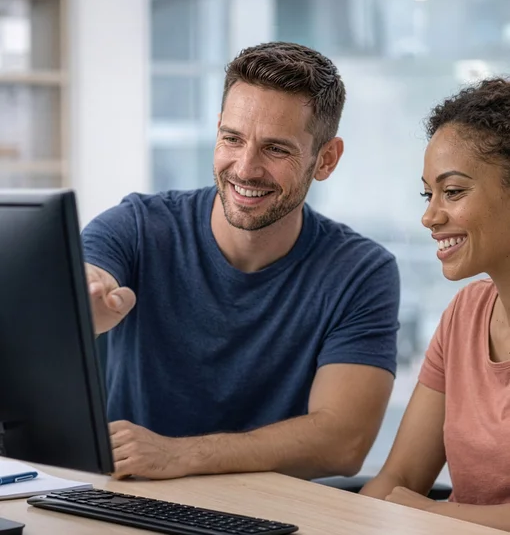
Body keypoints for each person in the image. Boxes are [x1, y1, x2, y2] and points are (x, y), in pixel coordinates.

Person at [82, 41, 400, 481]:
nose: (246, 168)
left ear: (325, 159)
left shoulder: (361, 271)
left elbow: (343, 443)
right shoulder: (137, 225)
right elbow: (84, 279)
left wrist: (178, 455)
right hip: (130, 497)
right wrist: (83, 303)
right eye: (232, 139)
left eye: (276, 149)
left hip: (267, 516)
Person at [360, 78, 510, 532]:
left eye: (454, 192)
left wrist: (430, 512)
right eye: (429, 194)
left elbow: (413, 501)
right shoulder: (464, 315)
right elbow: (399, 478)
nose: (430, 216)